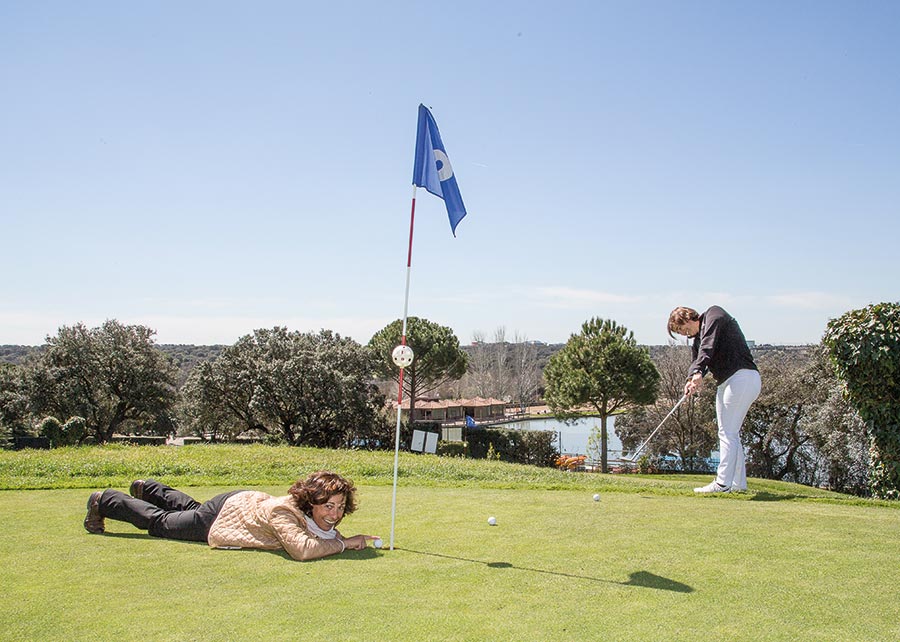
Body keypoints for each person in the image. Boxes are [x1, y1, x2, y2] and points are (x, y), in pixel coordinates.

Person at [83, 470, 379, 560]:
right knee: (162, 524)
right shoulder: (284, 512)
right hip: (223, 516)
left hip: (238, 504)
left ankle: (148, 488)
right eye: (329, 506)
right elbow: (303, 550)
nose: (335, 514)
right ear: (311, 501)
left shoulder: (311, 512)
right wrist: (345, 543)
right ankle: (105, 500)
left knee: (191, 510)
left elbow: (323, 532)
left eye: (340, 507)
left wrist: (340, 536)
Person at [668, 305, 761, 494]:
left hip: (742, 377)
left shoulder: (714, 314)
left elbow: (708, 347)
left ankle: (722, 483)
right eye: (679, 332)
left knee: (728, 433)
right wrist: (692, 378)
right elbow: (698, 361)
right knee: (729, 432)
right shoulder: (697, 342)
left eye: (682, 328)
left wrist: (698, 373)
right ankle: (738, 483)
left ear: (688, 317)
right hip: (727, 382)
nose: (684, 333)